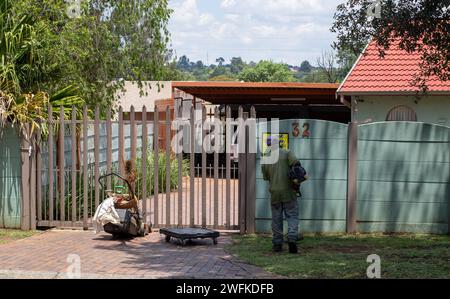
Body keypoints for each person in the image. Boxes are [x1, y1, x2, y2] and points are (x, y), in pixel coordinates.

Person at [262, 136, 299, 253]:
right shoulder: (288, 153)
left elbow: (266, 177)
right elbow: (297, 165)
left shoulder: (266, 158)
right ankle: (292, 237)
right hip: (289, 192)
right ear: (279, 143)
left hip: (274, 193)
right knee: (292, 216)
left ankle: (277, 244)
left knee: (276, 219)